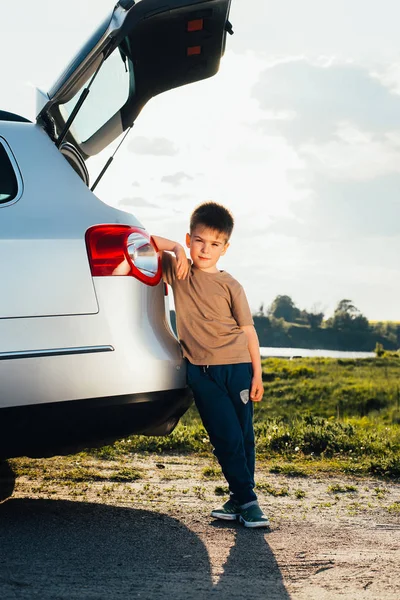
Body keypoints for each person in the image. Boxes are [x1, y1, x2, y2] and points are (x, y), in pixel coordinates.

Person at [152, 201, 269, 528]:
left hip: (238, 367)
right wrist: (175, 248)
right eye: (199, 241)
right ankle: (248, 501)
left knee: (243, 435)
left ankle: (241, 499)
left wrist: (257, 373)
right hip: (202, 373)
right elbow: (142, 242)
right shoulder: (177, 269)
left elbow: (249, 332)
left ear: (225, 248)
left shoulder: (231, 285)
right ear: (189, 239)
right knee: (225, 436)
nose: (206, 249)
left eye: (215, 244)